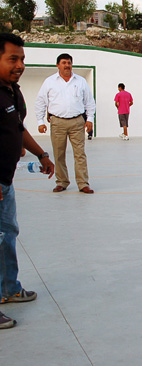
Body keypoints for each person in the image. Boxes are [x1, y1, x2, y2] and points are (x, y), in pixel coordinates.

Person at [0, 33, 55, 329]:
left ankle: (8, 289)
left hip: (5, 182)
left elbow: (18, 129)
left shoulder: (11, 91)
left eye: (22, 59)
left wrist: (42, 153)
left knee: (7, 234)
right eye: (12, 59)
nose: (19, 64)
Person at [36, 53, 96, 194]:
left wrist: (90, 119)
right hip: (57, 122)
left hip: (77, 122)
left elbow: (89, 102)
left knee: (80, 154)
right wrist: (40, 121)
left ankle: (83, 184)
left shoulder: (80, 81)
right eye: (64, 63)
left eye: (69, 63)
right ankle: (62, 182)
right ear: (58, 65)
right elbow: (40, 102)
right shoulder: (49, 82)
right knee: (58, 153)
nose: (67, 65)